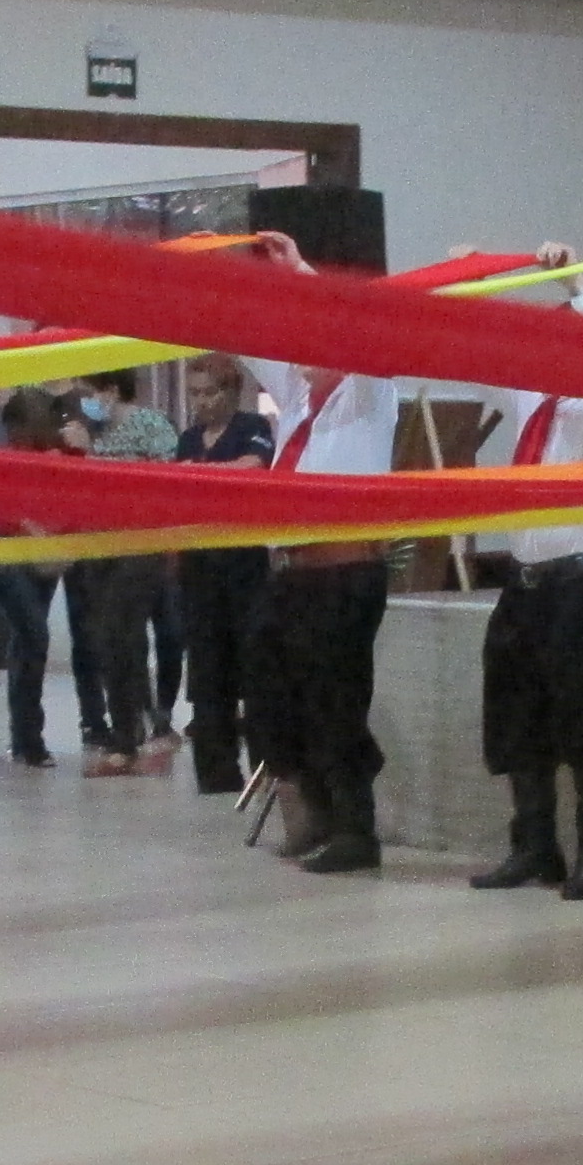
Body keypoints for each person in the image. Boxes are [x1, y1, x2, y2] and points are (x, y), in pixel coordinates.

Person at [455, 252, 583, 898]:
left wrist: (579, 286)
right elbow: (475, 351)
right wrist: (473, 282)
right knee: (517, 719)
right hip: (525, 582)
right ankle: (534, 847)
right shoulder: (531, 399)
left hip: (581, 586)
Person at [235, 233, 404, 870]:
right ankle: (311, 806)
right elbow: (242, 339)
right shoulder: (300, 396)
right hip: (292, 571)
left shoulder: (369, 393)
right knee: (272, 694)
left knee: (336, 699)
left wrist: (306, 271)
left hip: (345, 570)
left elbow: (367, 333)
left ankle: (355, 831)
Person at [169, 354, 271, 793]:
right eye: (195, 393)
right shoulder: (189, 439)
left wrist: (200, 475)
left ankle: (268, 768)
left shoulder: (252, 427)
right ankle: (216, 772)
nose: (202, 402)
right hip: (199, 568)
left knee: (255, 666)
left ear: (230, 392)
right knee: (207, 671)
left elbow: (253, 467)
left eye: (210, 392)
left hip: (244, 566)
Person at [66, 379, 178, 776]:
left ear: (111, 390)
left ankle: (133, 734)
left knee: (122, 631)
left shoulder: (150, 425)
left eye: (90, 392)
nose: (86, 402)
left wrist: (94, 455)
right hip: (99, 544)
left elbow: (161, 481)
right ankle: (130, 730)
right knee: (106, 638)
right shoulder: (89, 430)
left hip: (141, 544)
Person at [0, 382, 67, 766]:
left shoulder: (55, 457)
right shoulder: (5, 457)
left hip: (43, 554)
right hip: (8, 555)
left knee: (28, 643)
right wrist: (34, 531)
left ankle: (24, 738)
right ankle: (29, 737)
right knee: (34, 635)